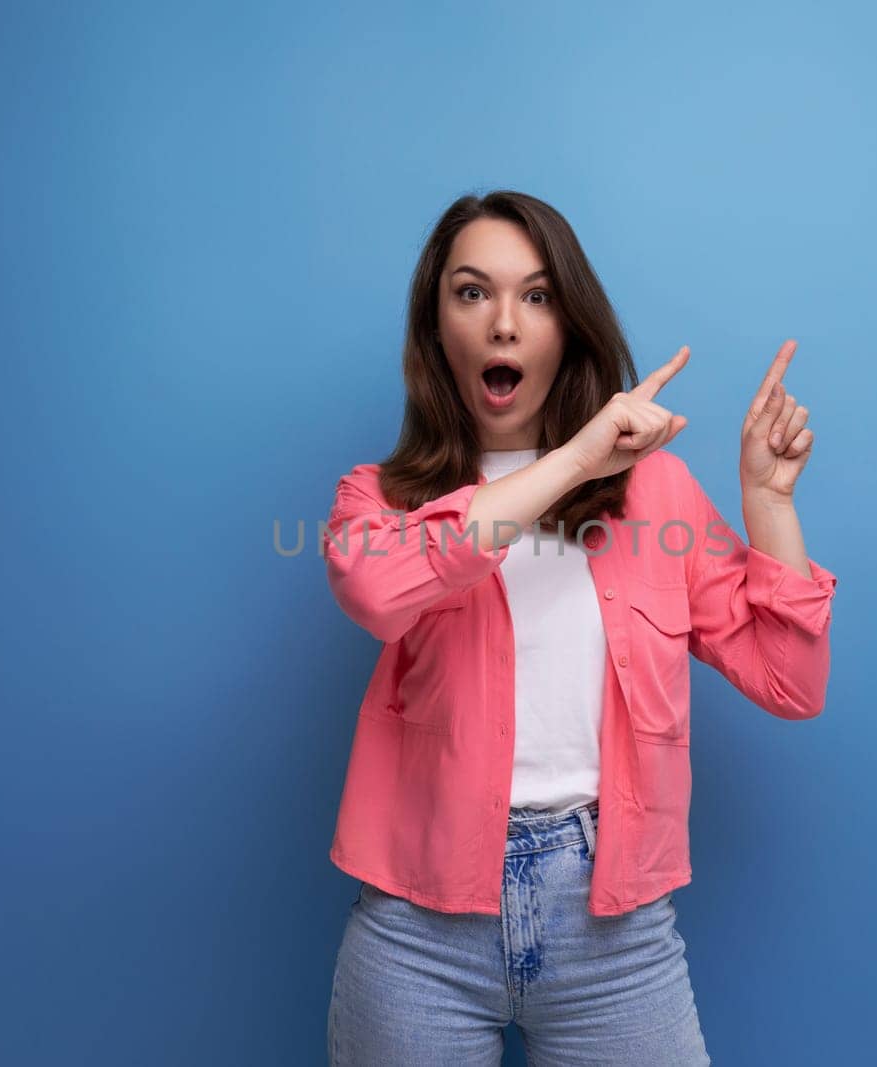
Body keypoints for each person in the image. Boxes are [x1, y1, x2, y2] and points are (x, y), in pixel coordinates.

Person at [323, 190, 838, 1065]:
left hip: (615, 932)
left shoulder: (657, 495)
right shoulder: (379, 499)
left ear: (569, 323)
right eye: (472, 292)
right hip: (419, 935)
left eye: (537, 296)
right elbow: (376, 593)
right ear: (436, 324)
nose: (504, 325)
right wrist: (575, 459)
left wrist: (771, 504)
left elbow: (790, 682)